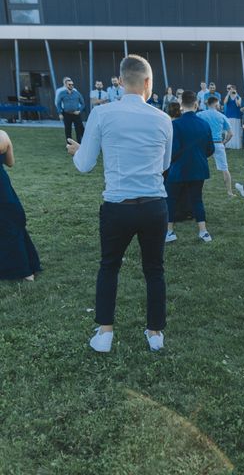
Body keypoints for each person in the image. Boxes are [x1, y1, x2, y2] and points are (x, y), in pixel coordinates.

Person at [66, 54, 173, 354]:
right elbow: (164, 164)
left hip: (118, 205)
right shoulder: (163, 118)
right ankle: (155, 333)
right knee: (154, 269)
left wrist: (77, 150)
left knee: (109, 266)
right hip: (154, 205)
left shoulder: (102, 114)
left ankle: (105, 333)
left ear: (121, 81)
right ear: (148, 83)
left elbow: (85, 164)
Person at [165, 91, 214, 243]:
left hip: (178, 168)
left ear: (181, 105)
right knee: (197, 199)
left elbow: (173, 150)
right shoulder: (204, 124)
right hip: (198, 167)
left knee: (171, 200)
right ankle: (203, 231)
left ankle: (169, 231)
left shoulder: (175, 124)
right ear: (196, 104)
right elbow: (210, 149)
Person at [0, 130, 41, 281]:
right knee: (11, 223)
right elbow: (10, 162)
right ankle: (25, 270)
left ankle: (23, 270)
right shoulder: (2, 135)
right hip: (2, 187)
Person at [198, 96, 236, 197]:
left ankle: (198, 191)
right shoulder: (221, 116)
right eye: (218, 104)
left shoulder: (201, 114)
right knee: (225, 169)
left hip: (205, 145)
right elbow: (231, 134)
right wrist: (224, 141)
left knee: (199, 167)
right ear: (215, 104)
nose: (219, 105)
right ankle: (229, 192)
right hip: (218, 144)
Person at [56, 78, 85, 144]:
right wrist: (60, 113)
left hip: (76, 114)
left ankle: (79, 144)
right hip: (66, 114)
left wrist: (79, 111)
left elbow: (83, 104)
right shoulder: (61, 93)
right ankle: (69, 145)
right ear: (66, 85)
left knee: (78, 129)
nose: (71, 86)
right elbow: (58, 104)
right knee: (68, 130)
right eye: (69, 84)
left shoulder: (77, 93)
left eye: (72, 84)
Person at [223, 85, 243, 149]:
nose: (231, 90)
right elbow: (224, 102)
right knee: (229, 130)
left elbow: (239, 105)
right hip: (229, 115)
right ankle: (228, 144)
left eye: (233, 89)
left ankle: (235, 145)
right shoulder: (228, 97)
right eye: (230, 89)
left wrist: (236, 96)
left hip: (236, 116)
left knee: (236, 130)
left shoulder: (238, 97)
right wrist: (228, 94)